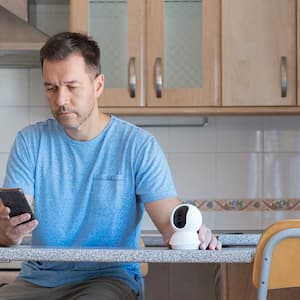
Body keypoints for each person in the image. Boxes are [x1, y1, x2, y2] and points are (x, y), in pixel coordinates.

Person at [0, 32, 221, 300]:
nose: (60, 100)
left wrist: (192, 233)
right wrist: (8, 232)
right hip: (38, 281)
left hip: (108, 280)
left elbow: (170, 225)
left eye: (72, 87)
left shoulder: (137, 145)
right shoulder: (29, 142)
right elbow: (15, 226)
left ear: (98, 85)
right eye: (51, 88)